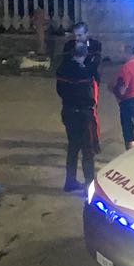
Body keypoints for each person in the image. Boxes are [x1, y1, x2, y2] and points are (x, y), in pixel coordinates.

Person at [56, 47, 100, 192]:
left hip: (68, 112)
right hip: (82, 114)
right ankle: (89, 185)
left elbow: (60, 91)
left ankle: (70, 182)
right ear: (83, 56)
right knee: (88, 150)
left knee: (73, 148)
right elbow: (89, 95)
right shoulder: (84, 73)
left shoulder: (62, 69)